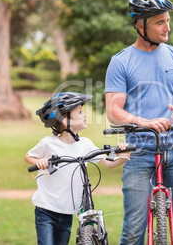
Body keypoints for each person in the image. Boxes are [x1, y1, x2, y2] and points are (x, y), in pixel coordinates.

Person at [105, 0, 173, 244]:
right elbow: (114, 112)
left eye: (167, 20)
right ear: (140, 25)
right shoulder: (121, 62)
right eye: (160, 22)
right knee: (134, 232)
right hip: (139, 152)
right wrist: (144, 122)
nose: (167, 27)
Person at [25, 92, 131, 245]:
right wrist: (40, 161)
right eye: (80, 112)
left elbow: (108, 162)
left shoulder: (85, 144)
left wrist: (124, 155)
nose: (85, 115)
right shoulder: (48, 143)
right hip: (46, 210)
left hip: (68, 212)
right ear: (66, 120)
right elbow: (29, 156)